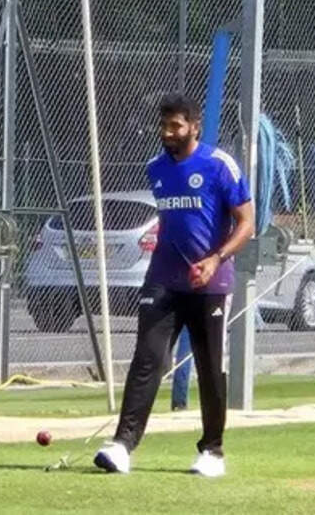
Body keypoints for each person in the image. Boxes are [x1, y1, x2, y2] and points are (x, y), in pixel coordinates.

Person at [94, 93, 255, 477]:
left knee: (209, 367)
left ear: (194, 127)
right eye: (164, 125)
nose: (168, 133)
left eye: (176, 126)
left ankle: (212, 452)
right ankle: (122, 446)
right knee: (147, 359)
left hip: (210, 284)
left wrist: (215, 260)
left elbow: (247, 222)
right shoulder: (155, 169)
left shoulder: (219, 165)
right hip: (163, 279)